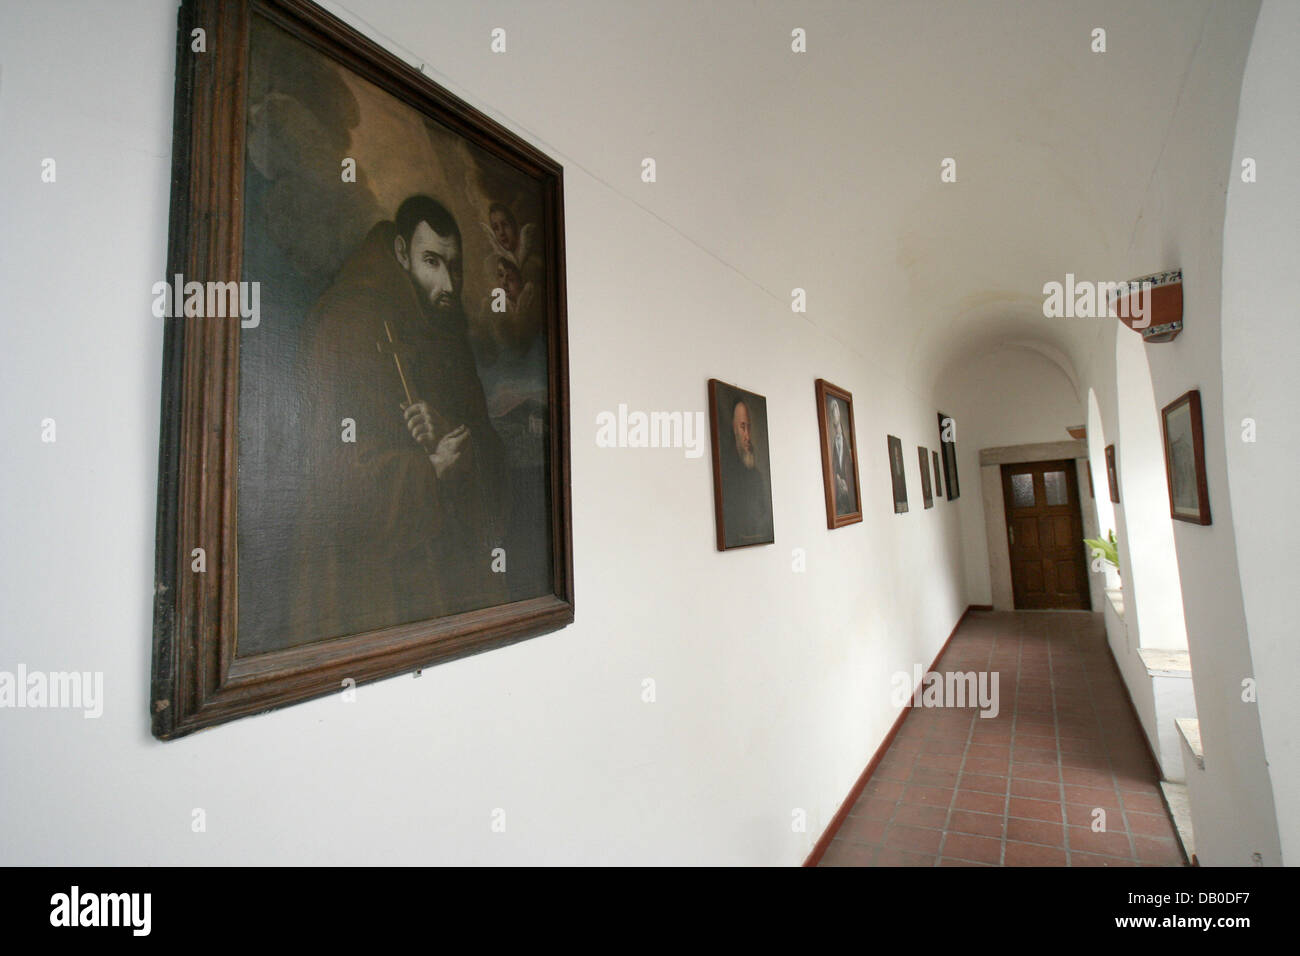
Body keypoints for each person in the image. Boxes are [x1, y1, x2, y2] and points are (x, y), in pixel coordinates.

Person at [289, 194, 508, 643]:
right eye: (431, 261)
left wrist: (451, 435)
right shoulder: (345, 323)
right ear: (401, 253)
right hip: (373, 591)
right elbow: (328, 475)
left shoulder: (446, 333)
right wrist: (428, 470)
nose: (448, 283)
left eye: (455, 266)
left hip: (446, 580)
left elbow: (487, 452)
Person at [719, 396, 773, 545]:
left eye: (749, 427)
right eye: (743, 427)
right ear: (734, 429)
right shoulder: (726, 475)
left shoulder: (756, 476)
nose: (748, 436)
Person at [829, 400, 856, 514]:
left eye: (835, 408)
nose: (834, 412)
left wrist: (847, 485)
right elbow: (833, 467)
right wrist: (838, 479)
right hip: (840, 494)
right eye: (832, 410)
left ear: (839, 413)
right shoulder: (833, 443)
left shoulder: (846, 442)